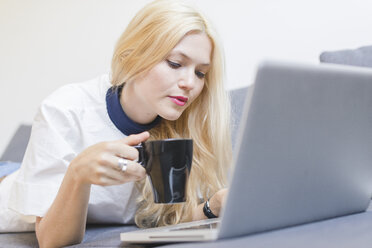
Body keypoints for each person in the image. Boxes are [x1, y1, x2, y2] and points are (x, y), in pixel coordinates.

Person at [0, 0, 232, 246]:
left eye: (200, 73)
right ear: (134, 55)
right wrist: (78, 173)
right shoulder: (66, 108)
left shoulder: (186, 124)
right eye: (175, 63)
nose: (190, 83)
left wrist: (212, 206)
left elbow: (171, 221)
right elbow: (52, 240)